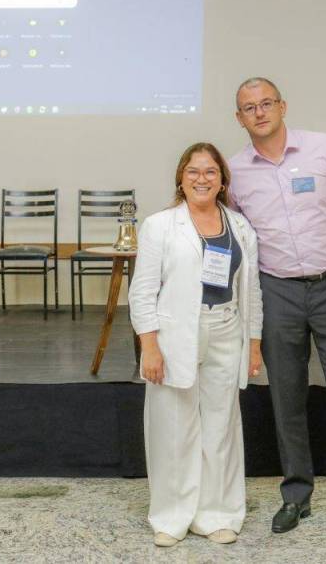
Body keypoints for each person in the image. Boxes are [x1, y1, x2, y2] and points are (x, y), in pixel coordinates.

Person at [227, 77, 326, 546]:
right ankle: (296, 495)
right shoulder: (235, 172)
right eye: (249, 108)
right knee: (286, 397)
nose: (259, 112)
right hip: (277, 292)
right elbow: (235, 235)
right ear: (239, 118)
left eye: (266, 103)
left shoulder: (324, 148)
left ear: (282, 106)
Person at [128, 142, 264, 548]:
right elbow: (142, 292)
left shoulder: (240, 227)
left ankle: (218, 514)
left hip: (227, 330)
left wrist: (254, 343)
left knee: (221, 429)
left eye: (210, 172)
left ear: (222, 181)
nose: (201, 179)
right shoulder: (159, 225)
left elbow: (252, 291)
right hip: (175, 337)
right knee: (173, 428)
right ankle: (171, 517)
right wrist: (149, 347)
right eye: (193, 171)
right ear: (180, 178)